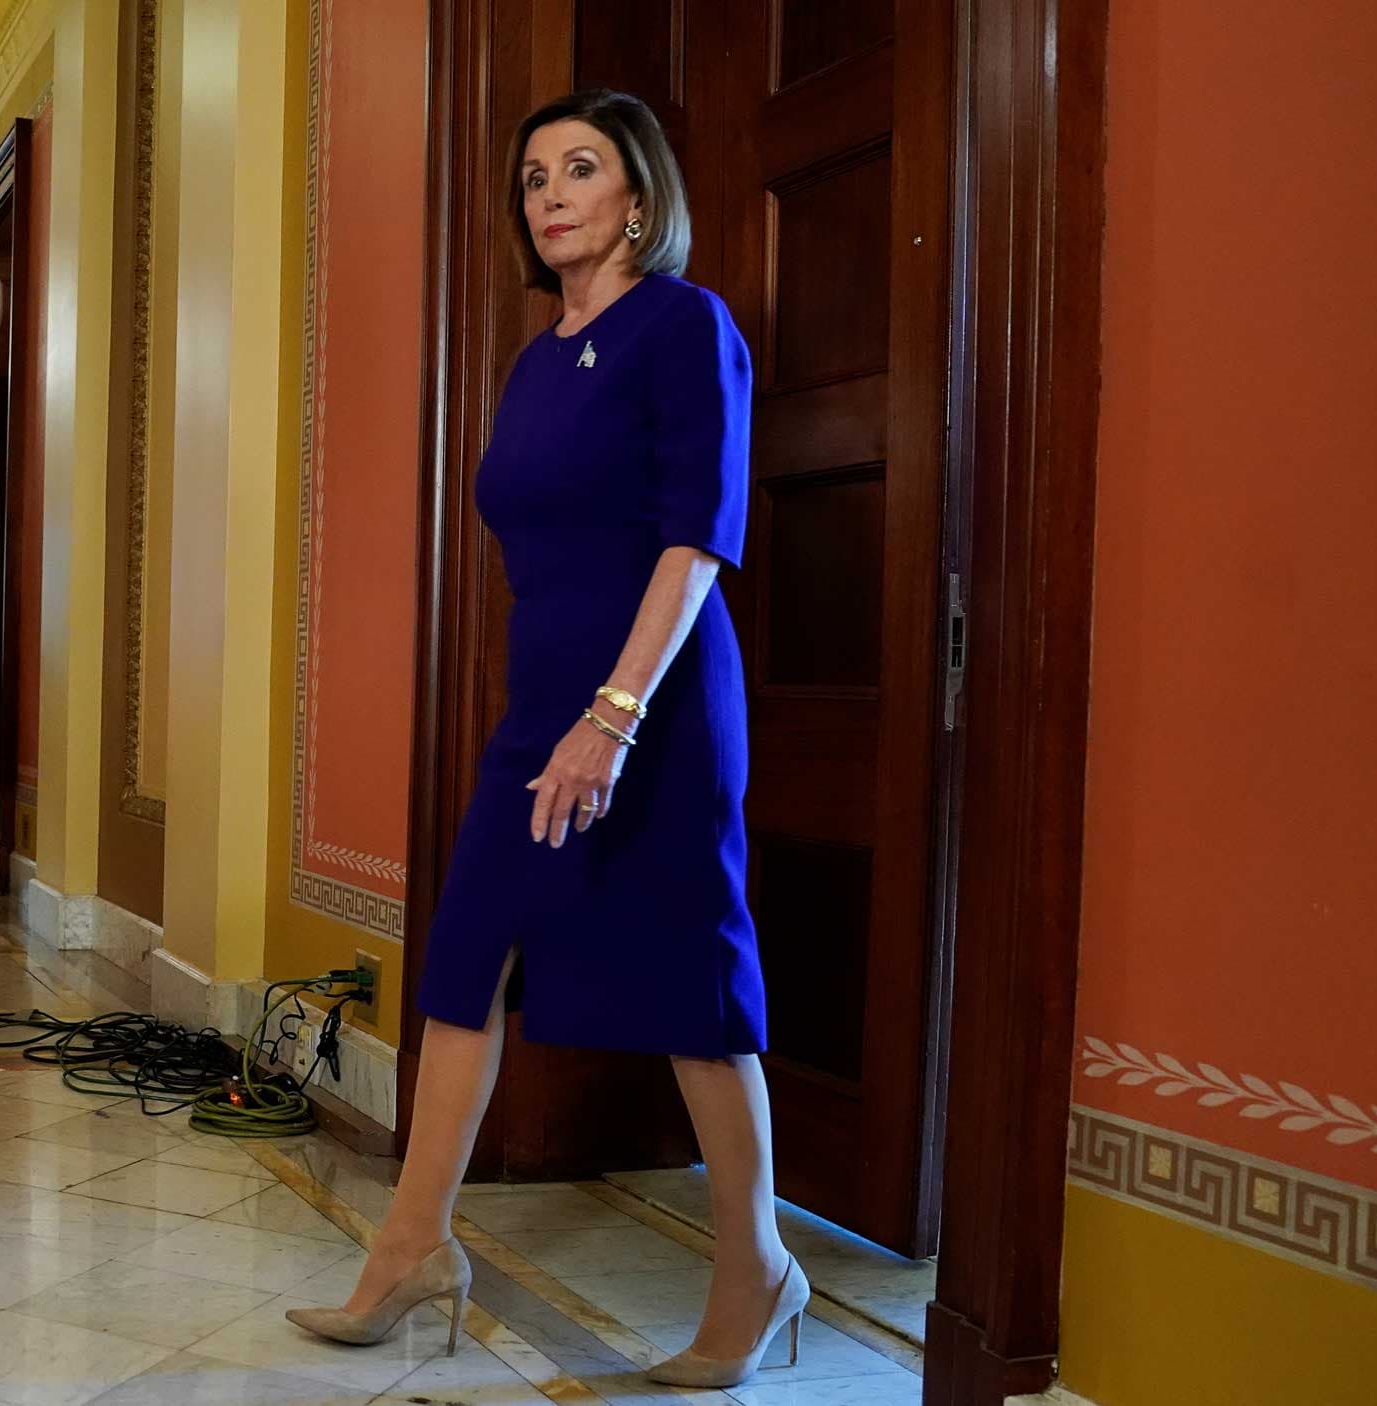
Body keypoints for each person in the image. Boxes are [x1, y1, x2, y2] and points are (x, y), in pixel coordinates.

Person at [283, 89, 805, 1389]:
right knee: (465, 948)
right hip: (542, 696)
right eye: (533, 176)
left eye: (583, 168)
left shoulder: (687, 327)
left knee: (695, 975)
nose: (552, 191)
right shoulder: (533, 356)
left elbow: (697, 536)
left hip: (660, 695)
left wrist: (616, 713)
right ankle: (413, 1243)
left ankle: (756, 1266)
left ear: (640, 198)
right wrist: (564, 711)